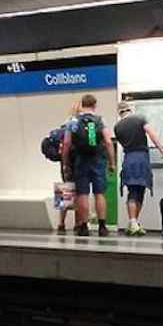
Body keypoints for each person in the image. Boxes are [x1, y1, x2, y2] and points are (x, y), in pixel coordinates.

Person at [113, 101, 163, 236]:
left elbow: (122, 143)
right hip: (141, 158)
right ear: (130, 109)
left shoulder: (117, 127)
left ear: (120, 112)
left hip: (128, 159)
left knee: (132, 191)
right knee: (139, 191)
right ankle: (133, 222)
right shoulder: (140, 119)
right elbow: (152, 134)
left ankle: (133, 223)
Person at [61, 93, 115, 237]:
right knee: (99, 193)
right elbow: (108, 142)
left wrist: (66, 163)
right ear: (94, 105)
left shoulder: (72, 120)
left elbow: (66, 143)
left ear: (82, 104)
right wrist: (112, 163)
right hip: (98, 159)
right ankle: (102, 227)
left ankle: (83, 226)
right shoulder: (100, 120)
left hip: (81, 160)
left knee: (82, 194)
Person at [54, 103, 80, 234]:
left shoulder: (64, 125)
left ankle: (61, 223)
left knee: (65, 191)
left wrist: (64, 164)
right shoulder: (79, 125)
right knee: (79, 193)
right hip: (78, 162)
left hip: (65, 162)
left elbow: (63, 146)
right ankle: (77, 224)